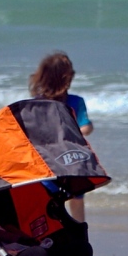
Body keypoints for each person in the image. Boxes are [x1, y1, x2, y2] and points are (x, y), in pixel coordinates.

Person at [29, 51, 94, 222]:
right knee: (77, 198)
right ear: (67, 79)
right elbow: (85, 127)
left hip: (46, 161)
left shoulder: (36, 104)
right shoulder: (76, 102)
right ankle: (81, 231)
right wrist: (86, 128)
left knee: (48, 200)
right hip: (72, 160)